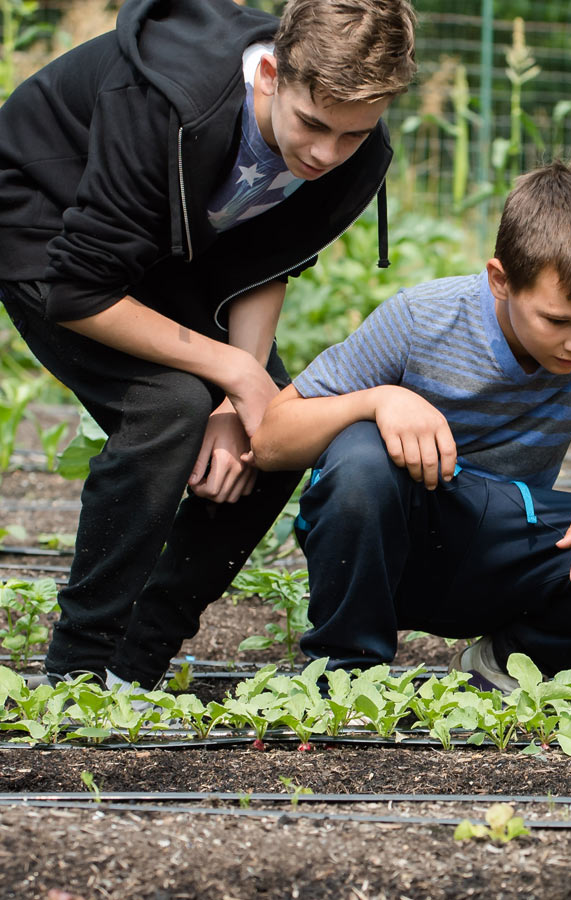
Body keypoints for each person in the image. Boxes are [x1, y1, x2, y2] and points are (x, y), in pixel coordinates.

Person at [0, 0, 417, 688]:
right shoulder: (168, 104)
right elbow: (79, 289)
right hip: (48, 237)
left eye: (351, 136)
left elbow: (266, 258)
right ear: (271, 76)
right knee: (165, 410)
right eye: (313, 125)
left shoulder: (345, 143)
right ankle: (77, 671)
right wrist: (227, 369)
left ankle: (137, 663)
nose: (324, 153)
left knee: (280, 429)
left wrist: (241, 395)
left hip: (171, 253)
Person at [250, 161, 571, 684]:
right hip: (394, 551)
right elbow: (272, 440)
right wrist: (377, 401)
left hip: (506, 550)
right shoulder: (420, 319)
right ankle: (348, 674)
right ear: (501, 281)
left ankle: (510, 661)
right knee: (361, 453)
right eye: (558, 321)